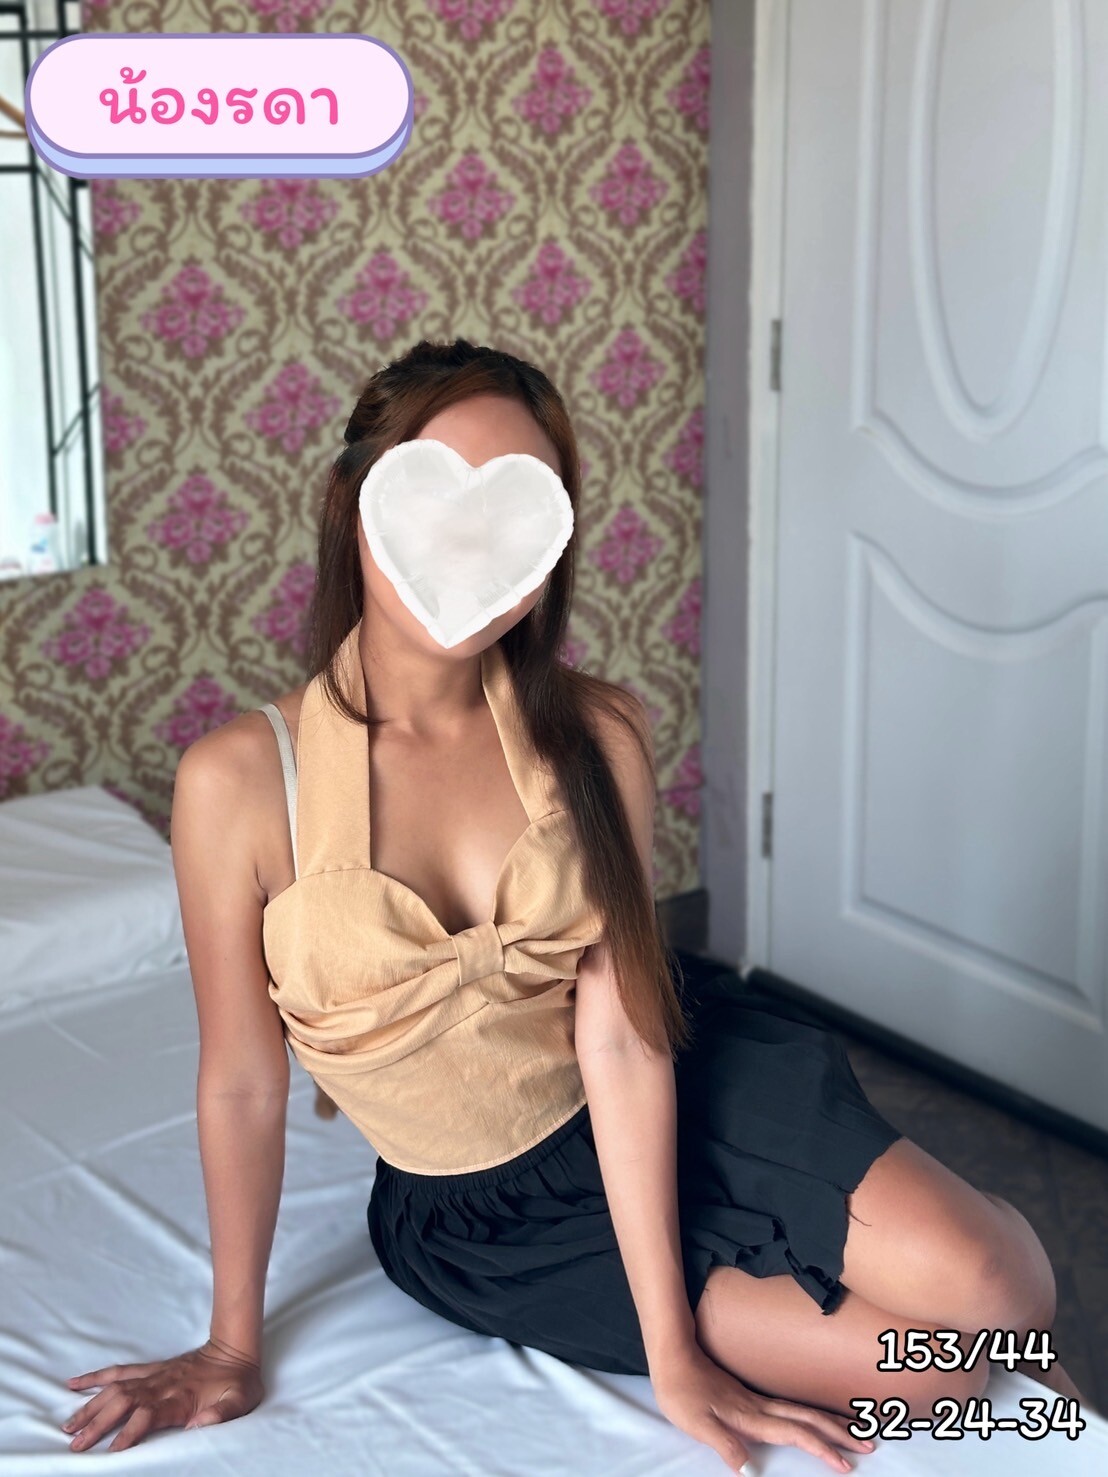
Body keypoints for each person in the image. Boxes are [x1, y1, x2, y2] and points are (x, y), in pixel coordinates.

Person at [61, 339, 1085, 1468]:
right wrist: (230, 1345)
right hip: (488, 1217)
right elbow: (244, 1081)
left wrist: (672, 1346)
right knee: (937, 1374)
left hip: (671, 1076)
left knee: (1000, 1289)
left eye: (515, 513)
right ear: (358, 507)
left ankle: (1023, 1306)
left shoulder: (599, 732)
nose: (470, 549)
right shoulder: (238, 782)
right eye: (436, 501)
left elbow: (621, 1039)